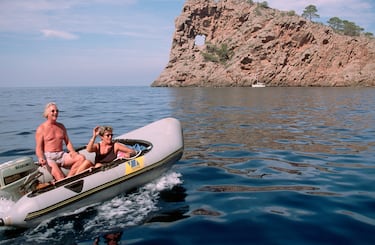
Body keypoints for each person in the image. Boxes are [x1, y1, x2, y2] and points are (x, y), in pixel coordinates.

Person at [35, 102, 92, 181]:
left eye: (57, 111)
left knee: (81, 158)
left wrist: (72, 151)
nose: (56, 113)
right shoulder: (41, 129)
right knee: (59, 175)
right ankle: (64, 181)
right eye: (53, 111)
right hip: (49, 157)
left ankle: (69, 179)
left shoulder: (61, 126)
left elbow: (67, 142)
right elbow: (38, 148)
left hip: (61, 155)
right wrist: (41, 157)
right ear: (47, 113)